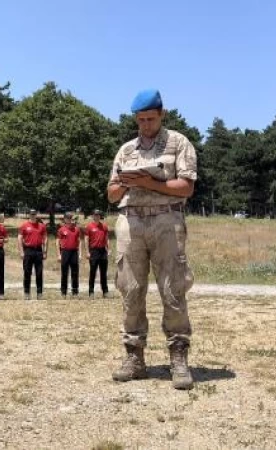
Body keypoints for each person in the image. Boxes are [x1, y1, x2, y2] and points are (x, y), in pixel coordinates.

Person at [107, 89, 197, 390]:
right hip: (130, 221)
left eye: (150, 119)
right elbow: (111, 193)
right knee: (130, 291)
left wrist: (149, 181)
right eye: (140, 119)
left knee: (173, 290)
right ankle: (134, 358)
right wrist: (123, 183)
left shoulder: (178, 143)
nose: (144, 125)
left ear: (162, 114)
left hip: (166, 221)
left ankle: (179, 358)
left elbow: (186, 187)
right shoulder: (125, 150)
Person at [17, 209, 47, 300]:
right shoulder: (24, 226)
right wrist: (21, 252)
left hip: (38, 251)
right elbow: (19, 238)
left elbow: (45, 238)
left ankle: (39, 293)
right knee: (27, 272)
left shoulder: (41, 226)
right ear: (29, 215)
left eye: (34, 214)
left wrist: (45, 251)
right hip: (28, 251)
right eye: (31, 214)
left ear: (36, 215)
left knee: (39, 273)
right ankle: (27, 293)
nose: (33, 215)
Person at [84, 209, 110, 298]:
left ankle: (105, 291)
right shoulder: (89, 227)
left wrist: (108, 249)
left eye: (98, 215)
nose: (97, 216)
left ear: (100, 216)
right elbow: (86, 240)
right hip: (94, 251)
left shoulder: (104, 227)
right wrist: (87, 252)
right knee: (93, 272)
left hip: (103, 251)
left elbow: (107, 239)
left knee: (103, 272)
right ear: (93, 216)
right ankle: (91, 292)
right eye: (95, 215)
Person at [56, 212, 82, 298]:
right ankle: (63, 292)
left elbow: (79, 241)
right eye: (67, 218)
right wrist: (59, 254)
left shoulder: (76, 229)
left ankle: (75, 291)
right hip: (65, 252)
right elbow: (57, 242)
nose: (69, 220)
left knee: (75, 272)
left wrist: (80, 254)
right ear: (64, 219)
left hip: (74, 252)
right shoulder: (61, 230)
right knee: (64, 273)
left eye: (70, 218)